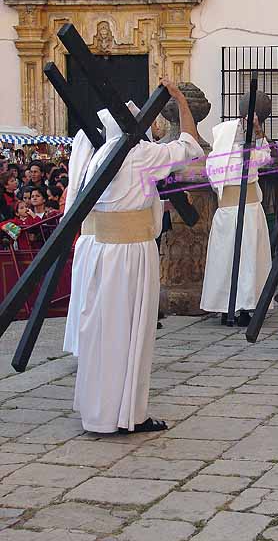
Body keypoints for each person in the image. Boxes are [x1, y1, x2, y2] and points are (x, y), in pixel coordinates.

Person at [63, 79, 204, 434]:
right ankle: (128, 414)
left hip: (102, 252)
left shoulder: (98, 155)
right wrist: (179, 101)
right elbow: (190, 145)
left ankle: (98, 411)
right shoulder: (140, 154)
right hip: (131, 255)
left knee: (102, 332)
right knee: (130, 334)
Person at [200, 114, 272, 327]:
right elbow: (267, 156)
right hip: (247, 212)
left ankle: (225, 307)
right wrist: (258, 132)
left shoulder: (214, 160)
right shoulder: (246, 156)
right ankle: (244, 307)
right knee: (248, 259)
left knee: (225, 260)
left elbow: (214, 186)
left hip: (225, 214)